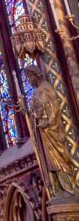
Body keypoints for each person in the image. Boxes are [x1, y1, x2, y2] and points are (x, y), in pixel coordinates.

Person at [23, 65, 79, 196]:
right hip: (45, 133)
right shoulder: (39, 91)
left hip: (51, 131)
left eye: (29, 77)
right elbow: (36, 113)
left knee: (59, 159)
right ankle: (59, 188)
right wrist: (27, 111)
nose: (29, 81)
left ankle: (70, 186)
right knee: (51, 162)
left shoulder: (45, 89)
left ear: (35, 75)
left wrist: (46, 122)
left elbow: (53, 112)